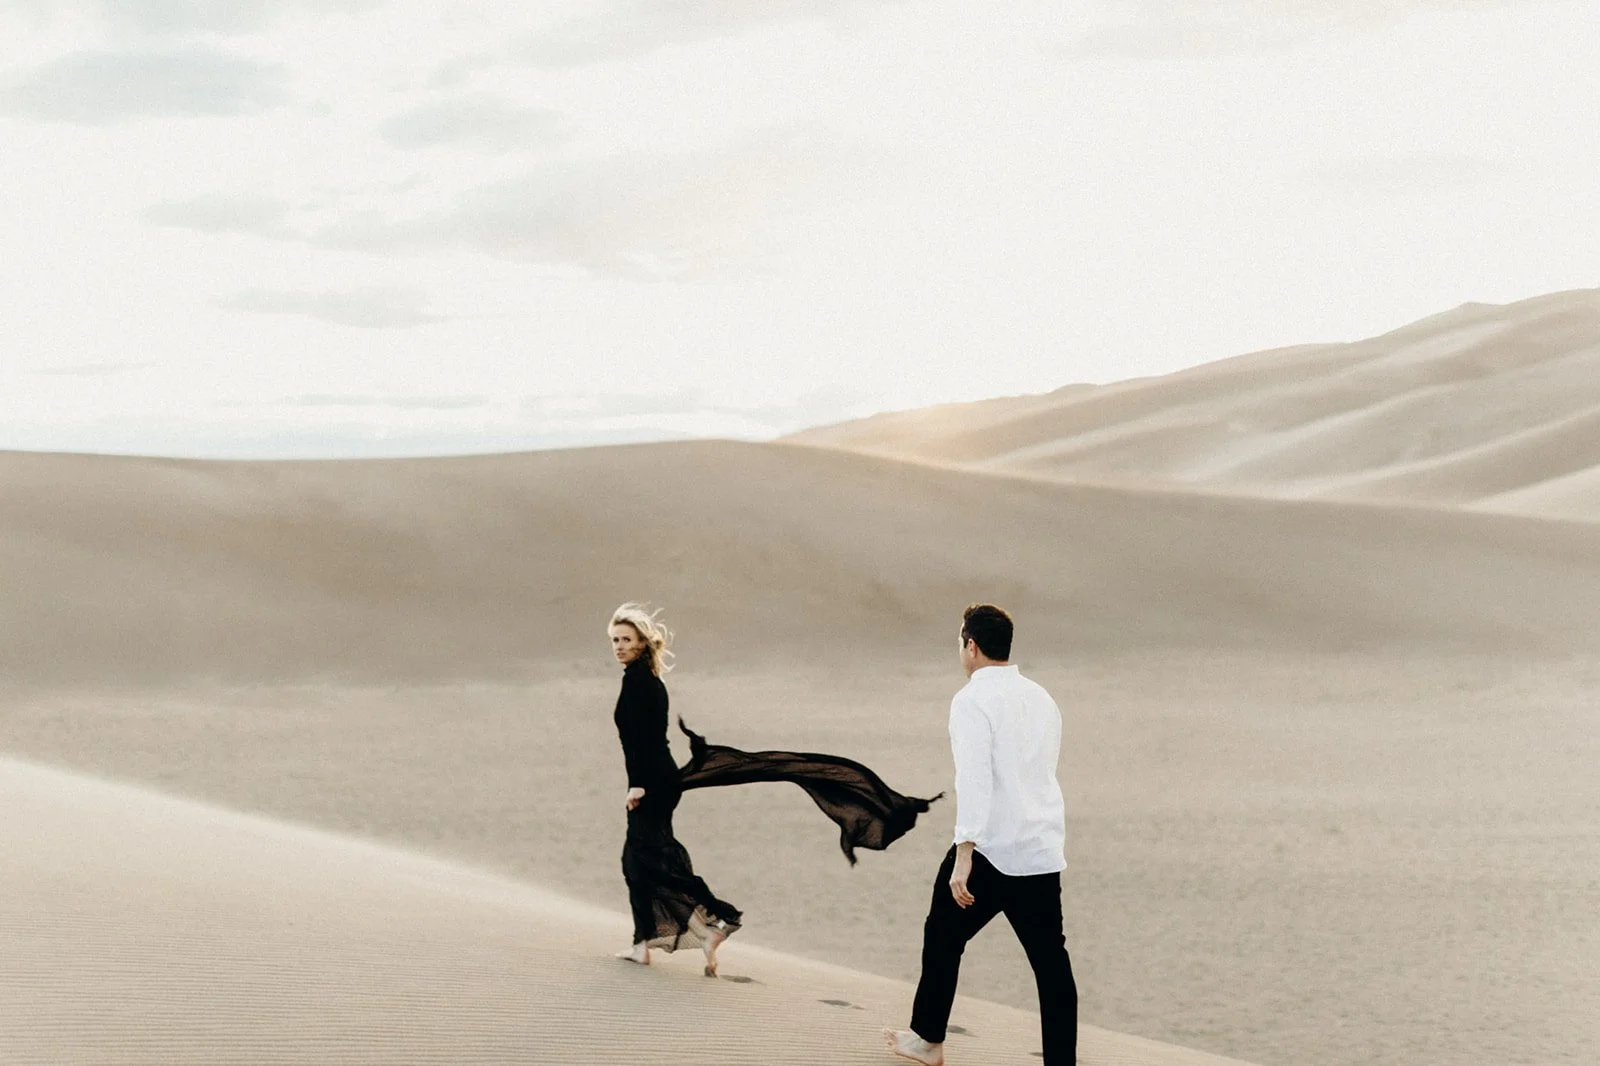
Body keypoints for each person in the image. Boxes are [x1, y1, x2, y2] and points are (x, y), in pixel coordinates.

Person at [608, 602, 940, 977]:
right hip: (658, 779)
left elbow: (643, 740)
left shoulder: (639, 682)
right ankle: (666, 939)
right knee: (637, 862)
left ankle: (711, 921)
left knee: (646, 859)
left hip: (650, 781)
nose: (619, 646)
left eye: (626, 639)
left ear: (643, 643)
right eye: (615, 640)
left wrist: (638, 784)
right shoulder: (646, 679)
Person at [884, 604, 1077, 1066]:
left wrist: (964, 851)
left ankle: (928, 1040)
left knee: (943, 934)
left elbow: (973, 777)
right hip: (1040, 849)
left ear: (971, 646)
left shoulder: (971, 700)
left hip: (991, 849)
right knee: (1051, 963)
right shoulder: (1042, 698)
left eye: (959, 642)